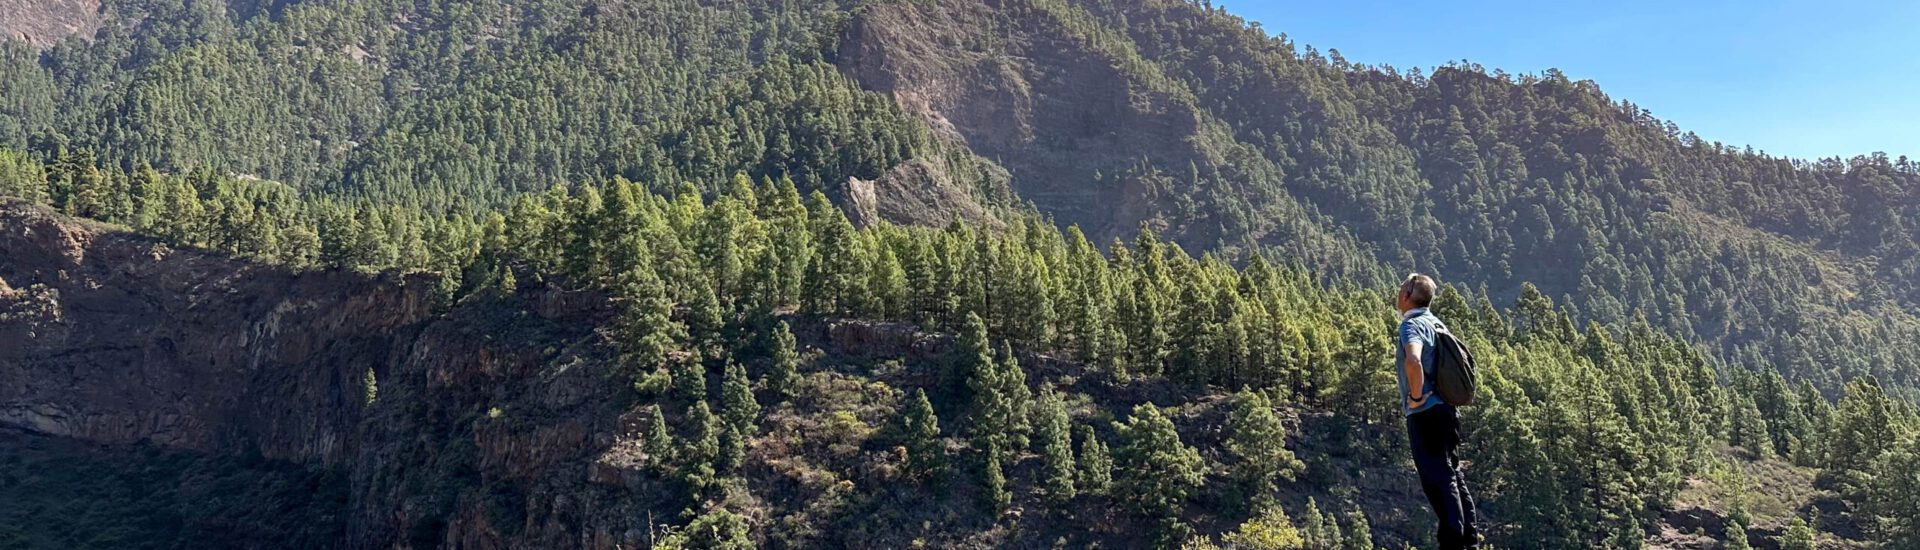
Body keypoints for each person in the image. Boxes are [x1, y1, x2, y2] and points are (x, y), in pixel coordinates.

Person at [1395, 273, 1480, 549]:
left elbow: (1414, 361)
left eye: (1401, 286)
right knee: (1453, 474)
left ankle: (1452, 542)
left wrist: (1416, 397)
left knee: (1437, 480)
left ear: (1408, 293)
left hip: (1426, 414)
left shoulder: (1412, 326)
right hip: (1447, 411)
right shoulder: (1436, 323)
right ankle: (1469, 540)